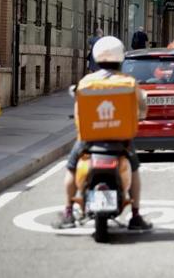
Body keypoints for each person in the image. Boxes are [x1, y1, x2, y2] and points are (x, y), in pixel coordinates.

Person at [55, 36, 153, 230]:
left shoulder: (86, 82)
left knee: (71, 167)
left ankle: (68, 212)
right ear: (120, 58)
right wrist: (139, 115)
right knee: (134, 170)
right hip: (121, 141)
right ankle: (135, 214)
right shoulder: (129, 82)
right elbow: (142, 107)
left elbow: (78, 109)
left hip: (89, 141)